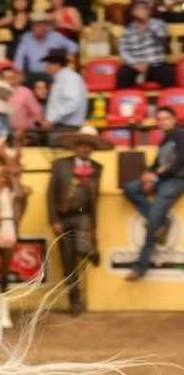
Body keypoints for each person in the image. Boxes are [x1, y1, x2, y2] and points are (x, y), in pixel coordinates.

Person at [49, 126, 109, 314]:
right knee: (68, 262)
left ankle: (91, 252)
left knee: (82, 248)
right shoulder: (59, 164)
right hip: (62, 217)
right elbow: (50, 194)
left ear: (93, 149)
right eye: (82, 144)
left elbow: (94, 197)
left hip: (83, 215)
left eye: (89, 145)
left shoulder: (97, 168)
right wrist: (54, 220)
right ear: (75, 146)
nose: (85, 148)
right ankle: (74, 301)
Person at [122, 107, 184, 281]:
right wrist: (147, 174)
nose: (163, 121)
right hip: (162, 180)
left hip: (175, 181)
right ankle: (162, 222)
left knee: (154, 219)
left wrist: (155, 178)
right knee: (130, 188)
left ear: (174, 119)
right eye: (160, 119)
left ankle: (140, 267)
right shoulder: (164, 141)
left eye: (166, 118)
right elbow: (156, 164)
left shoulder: (181, 136)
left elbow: (179, 163)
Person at [117, 0, 175, 89]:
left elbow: (163, 37)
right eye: (139, 8)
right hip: (136, 65)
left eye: (145, 8)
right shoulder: (128, 29)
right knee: (123, 74)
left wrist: (147, 22)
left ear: (149, 11)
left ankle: (168, 96)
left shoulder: (159, 24)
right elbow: (123, 49)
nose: (142, 11)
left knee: (167, 72)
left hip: (155, 64)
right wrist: (134, 63)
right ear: (133, 12)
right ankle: (126, 96)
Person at [12, 11, 78, 81]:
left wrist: (64, 59)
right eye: (35, 25)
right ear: (31, 26)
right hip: (32, 75)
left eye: (41, 25)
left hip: (51, 75)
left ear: (46, 26)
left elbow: (74, 47)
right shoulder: (26, 38)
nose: (38, 28)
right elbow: (19, 57)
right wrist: (19, 71)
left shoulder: (55, 36)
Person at [42, 47, 87, 135]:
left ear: (57, 64)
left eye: (48, 64)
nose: (46, 67)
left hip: (66, 128)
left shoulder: (69, 78)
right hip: (62, 127)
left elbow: (72, 102)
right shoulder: (63, 78)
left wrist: (52, 119)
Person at [0, 65, 45, 144]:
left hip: (24, 135)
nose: (10, 80)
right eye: (7, 78)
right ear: (1, 79)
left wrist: (25, 127)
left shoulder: (25, 92)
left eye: (12, 77)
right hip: (0, 135)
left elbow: (37, 115)